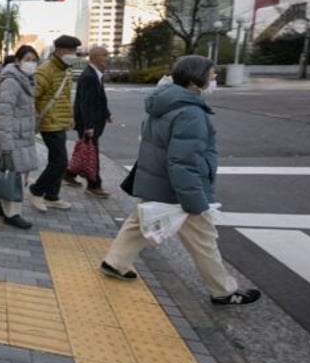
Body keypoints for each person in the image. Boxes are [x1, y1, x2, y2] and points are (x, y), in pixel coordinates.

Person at [100, 55, 261, 306]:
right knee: (203, 239)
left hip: (157, 180)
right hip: (179, 189)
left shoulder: (164, 102)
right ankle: (222, 291)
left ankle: (115, 262)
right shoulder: (191, 113)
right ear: (196, 80)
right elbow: (184, 162)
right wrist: (194, 200)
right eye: (211, 74)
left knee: (141, 221)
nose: (214, 78)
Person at [0, 45, 40, 229]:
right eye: (27, 59)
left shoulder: (26, 80)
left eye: (34, 60)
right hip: (13, 136)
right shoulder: (12, 82)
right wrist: (6, 142)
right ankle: (12, 213)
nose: (31, 63)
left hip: (22, 134)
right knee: (15, 174)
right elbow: (5, 113)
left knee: (15, 171)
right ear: (17, 61)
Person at [28, 34, 82, 212]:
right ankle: (36, 191)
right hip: (49, 122)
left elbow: (65, 97)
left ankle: (52, 196)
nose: (73, 54)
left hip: (59, 121)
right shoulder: (46, 70)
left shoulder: (64, 69)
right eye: (70, 50)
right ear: (59, 51)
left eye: (75, 51)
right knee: (60, 162)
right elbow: (32, 97)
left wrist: (70, 117)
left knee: (56, 160)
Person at [64, 46, 113, 198]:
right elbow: (85, 103)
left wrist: (107, 113)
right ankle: (94, 185)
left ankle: (69, 174)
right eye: (105, 55)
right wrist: (89, 126)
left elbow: (99, 98)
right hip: (88, 123)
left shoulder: (96, 74)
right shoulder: (89, 76)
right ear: (94, 58)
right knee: (92, 153)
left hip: (92, 121)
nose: (108, 58)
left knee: (85, 150)